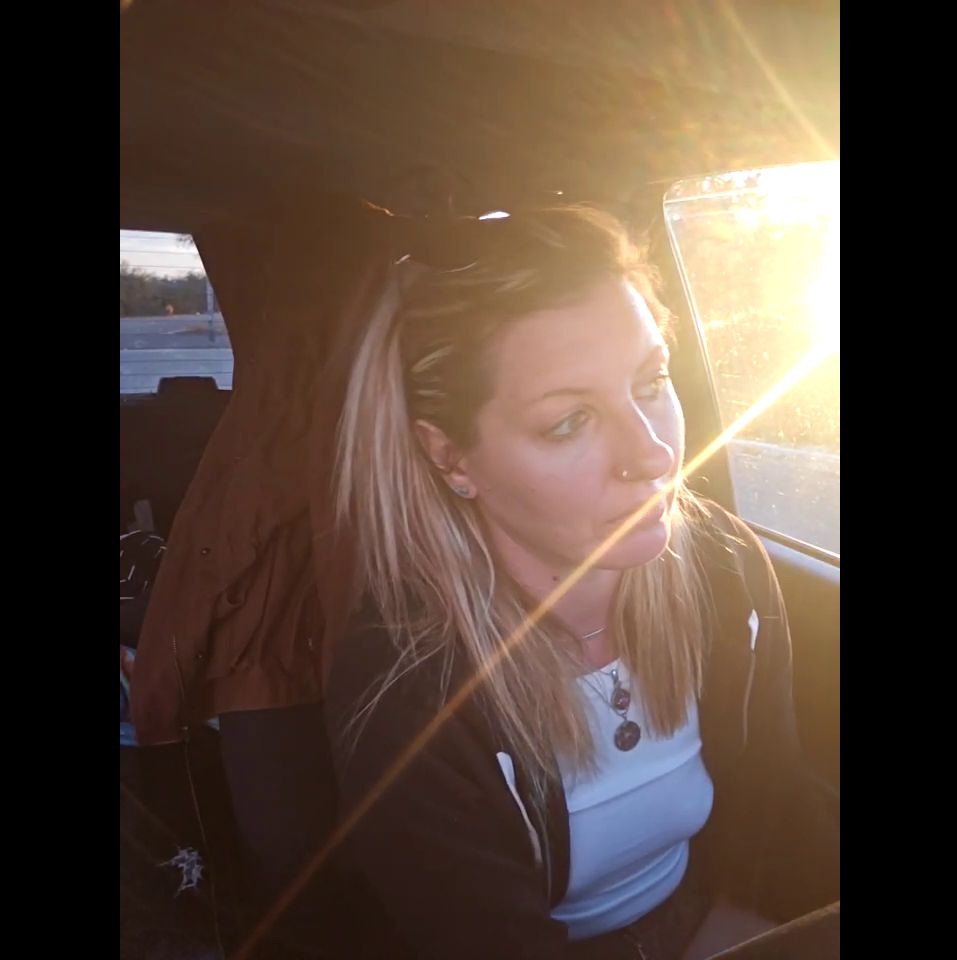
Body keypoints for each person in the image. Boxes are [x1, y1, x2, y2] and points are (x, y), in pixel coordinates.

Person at [321, 206, 839, 960]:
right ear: (451, 457)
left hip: (705, 915)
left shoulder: (725, 569)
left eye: (651, 381)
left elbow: (780, 807)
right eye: (568, 422)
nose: (654, 455)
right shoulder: (409, 687)